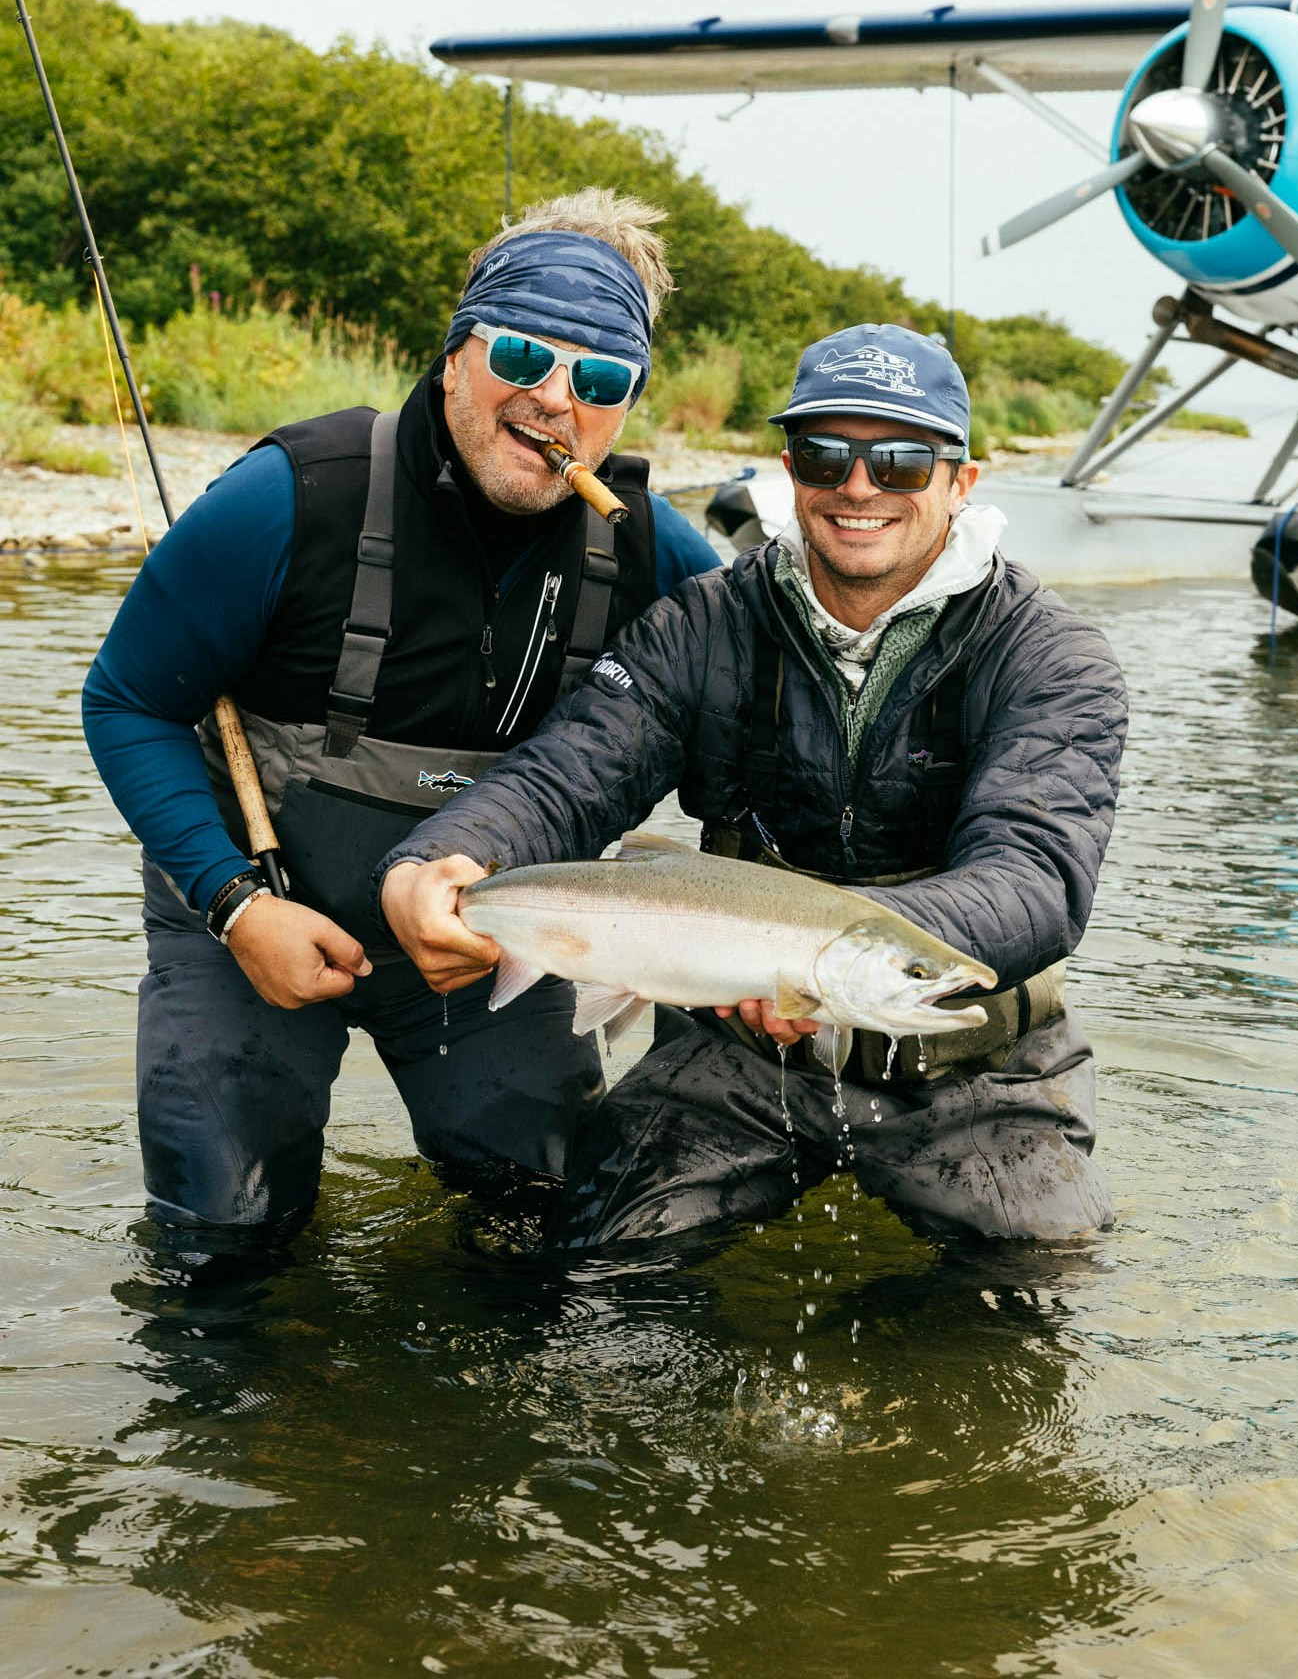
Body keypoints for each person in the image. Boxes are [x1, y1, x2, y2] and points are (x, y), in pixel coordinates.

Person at [379, 323, 1128, 1247]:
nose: (858, 487)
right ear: (789, 469)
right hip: (733, 1056)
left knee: (1034, 1287)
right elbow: (567, 777)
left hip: (976, 1068)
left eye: (898, 462)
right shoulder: (700, 623)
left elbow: (1036, 879)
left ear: (958, 483)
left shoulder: (1052, 657)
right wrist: (436, 860)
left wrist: (817, 956)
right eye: (826, 455)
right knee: (603, 1262)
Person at [82, 188, 721, 1239]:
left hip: (487, 951)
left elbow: (771, 726)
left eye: (600, 377)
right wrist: (237, 907)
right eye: (523, 357)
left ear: (627, 402)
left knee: (548, 1231)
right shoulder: (291, 496)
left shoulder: (659, 558)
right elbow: (127, 702)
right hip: (248, 912)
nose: (556, 399)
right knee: (222, 1240)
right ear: (458, 349)